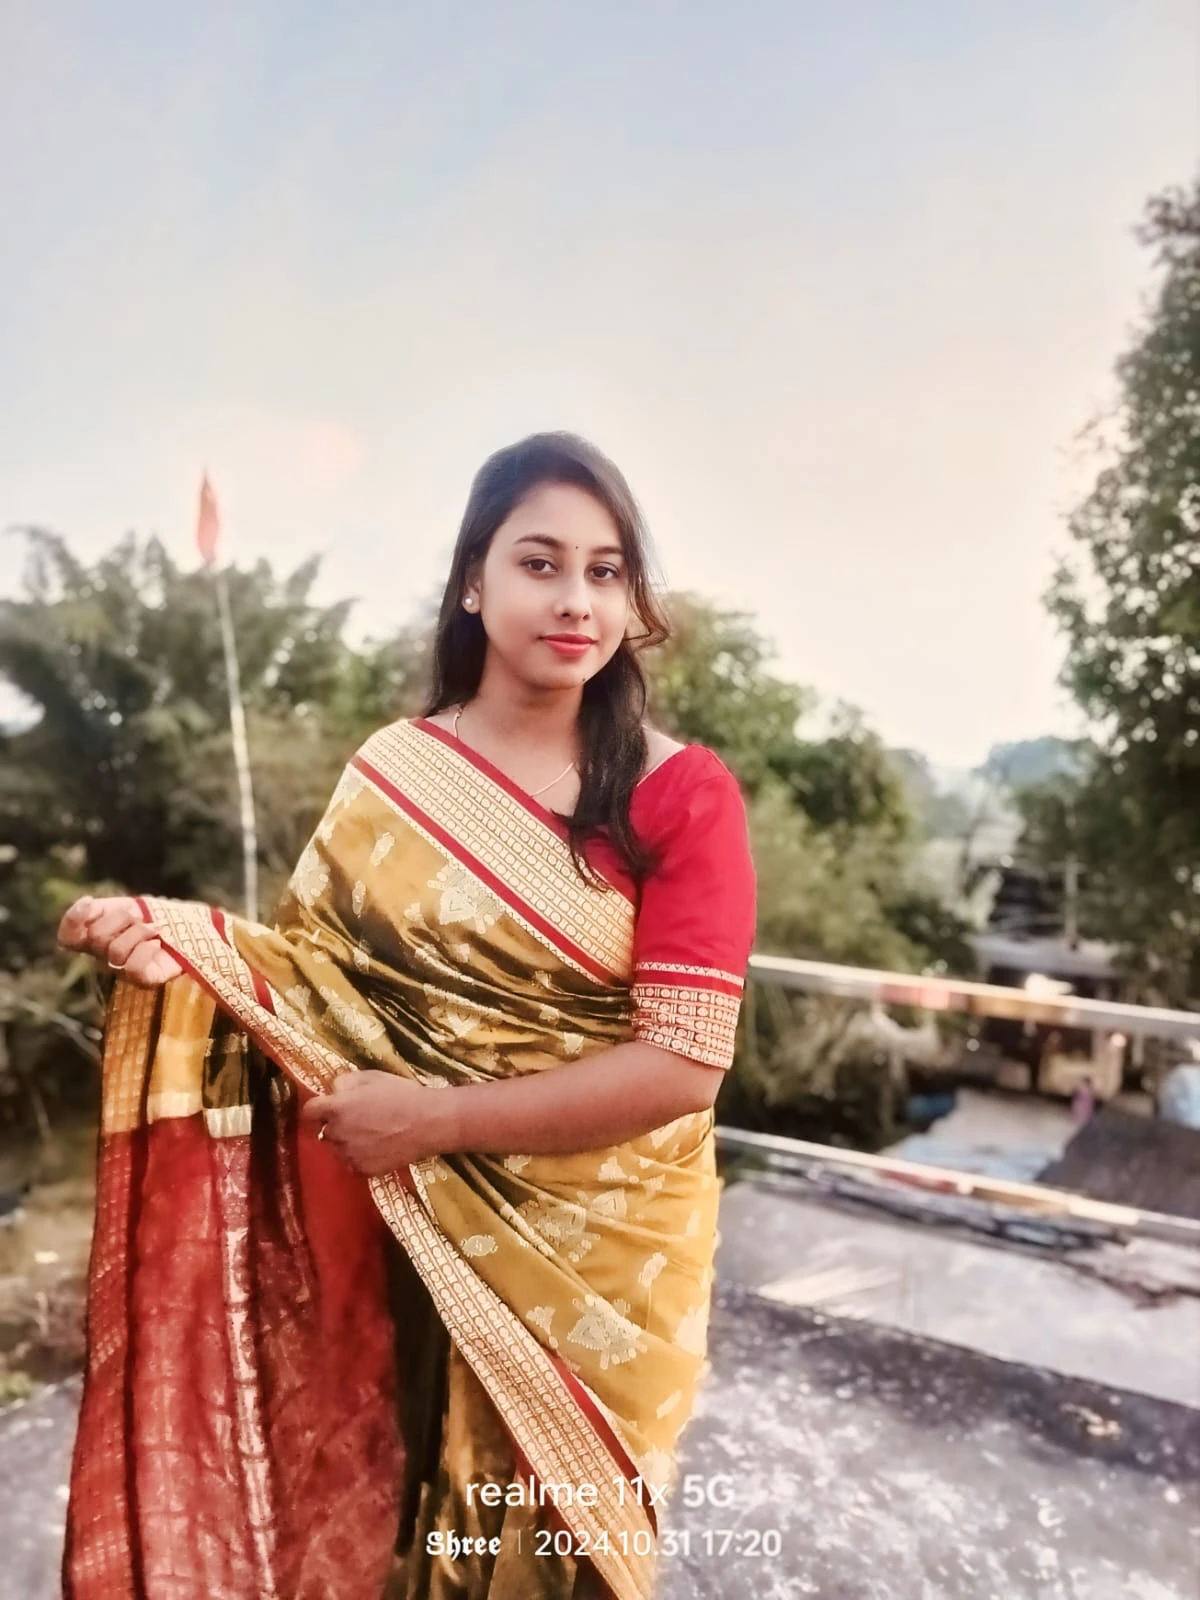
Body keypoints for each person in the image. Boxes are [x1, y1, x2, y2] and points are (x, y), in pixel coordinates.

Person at [55, 432, 757, 1600]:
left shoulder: (679, 795)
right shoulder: (396, 770)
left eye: (607, 571)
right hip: (402, 1224)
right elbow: (315, 984)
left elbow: (683, 1066)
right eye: (540, 562)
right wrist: (181, 944)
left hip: (601, 1270)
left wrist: (436, 1120)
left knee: (555, 1552)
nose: (576, 600)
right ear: (474, 581)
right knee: (394, 1512)